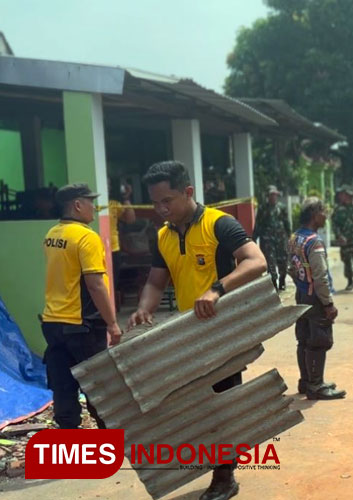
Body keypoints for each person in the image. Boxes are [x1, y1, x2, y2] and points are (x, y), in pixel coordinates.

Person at [127, 160, 267, 500]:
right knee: (195, 405)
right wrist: (144, 307)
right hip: (186, 335)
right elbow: (156, 281)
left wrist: (217, 289)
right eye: (156, 203)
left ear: (188, 192)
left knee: (220, 405)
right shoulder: (163, 235)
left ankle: (225, 478)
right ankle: (216, 469)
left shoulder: (219, 224)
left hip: (222, 333)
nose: (161, 210)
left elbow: (256, 261)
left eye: (167, 201)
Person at [41, 183, 122, 430]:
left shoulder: (52, 234)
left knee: (63, 387)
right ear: (77, 205)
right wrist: (112, 324)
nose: (94, 208)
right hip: (82, 325)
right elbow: (96, 285)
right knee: (99, 388)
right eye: (90, 202)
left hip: (52, 323)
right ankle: (108, 444)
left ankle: (71, 449)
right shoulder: (86, 237)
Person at [288, 197, 346, 400]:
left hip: (302, 293)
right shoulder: (315, 242)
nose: (326, 215)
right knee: (319, 340)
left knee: (303, 339)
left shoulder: (295, 238)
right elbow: (320, 276)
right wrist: (328, 303)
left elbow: (291, 269)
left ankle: (306, 381)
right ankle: (316, 385)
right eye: (323, 211)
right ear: (315, 215)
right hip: (315, 297)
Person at [253, 185, 291, 291]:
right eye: (271, 195)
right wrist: (254, 238)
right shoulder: (262, 209)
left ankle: (282, 280)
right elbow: (258, 224)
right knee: (270, 262)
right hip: (267, 240)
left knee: (283, 261)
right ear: (267, 196)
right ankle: (274, 283)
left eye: (274, 195)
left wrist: (289, 236)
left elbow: (286, 222)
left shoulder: (281, 208)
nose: (273, 197)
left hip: (281, 239)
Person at [108, 178, 136, 293]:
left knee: (112, 284)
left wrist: (126, 198)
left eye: (108, 184)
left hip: (113, 249)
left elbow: (130, 219)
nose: (107, 187)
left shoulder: (114, 204)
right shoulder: (91, 205)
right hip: (93, 249)